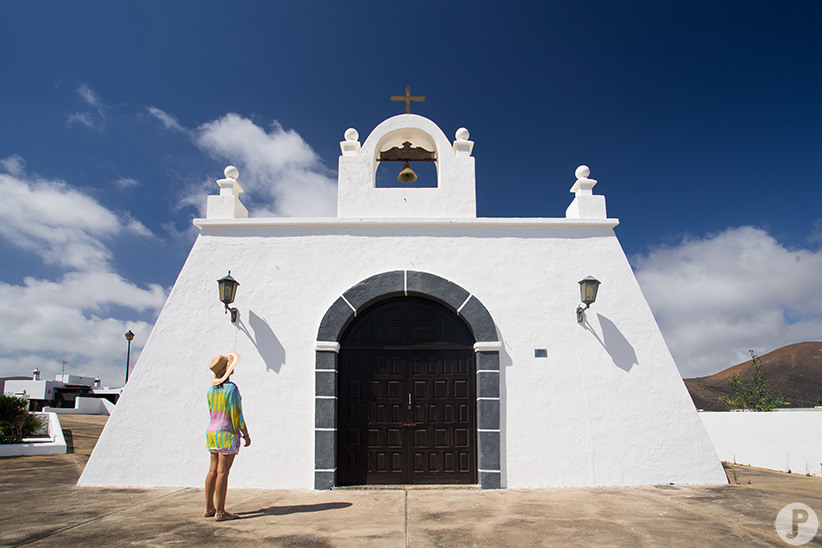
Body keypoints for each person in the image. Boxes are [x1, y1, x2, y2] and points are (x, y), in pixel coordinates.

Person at [204, 352, 250, 521]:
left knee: (212, 470)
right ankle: (221, 512)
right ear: (227, 370)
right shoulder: (232, 389)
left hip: (212, 432)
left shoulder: (211, 390)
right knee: (222, 472)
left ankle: (209, 507)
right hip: (226, 433)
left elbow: (211, 411)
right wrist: (245, 434)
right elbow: (236, 414)